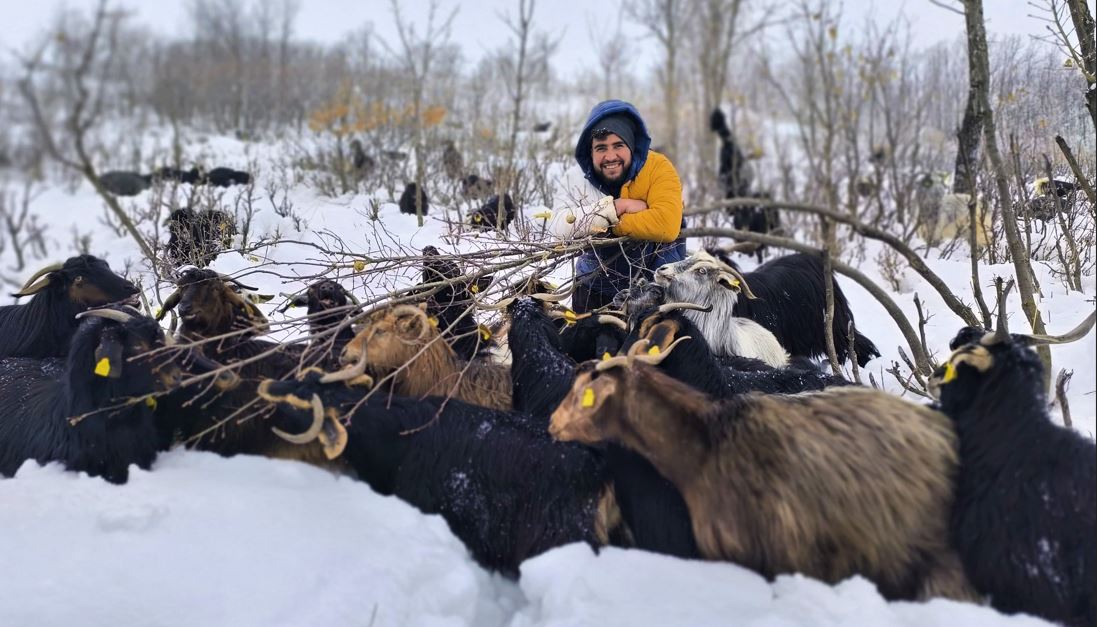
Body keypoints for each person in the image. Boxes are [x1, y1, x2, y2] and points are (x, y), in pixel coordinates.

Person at [548, 100, 686, 312]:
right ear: (590, 151)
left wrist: (607, 227)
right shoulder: (575, 179)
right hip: (596, 283)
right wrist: (614, 208)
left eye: (618, 145)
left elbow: (666, 225)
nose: (610, 156)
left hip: (655, 286)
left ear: (632, 146)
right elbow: (557, 229)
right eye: (601, 148)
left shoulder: (658, 168)